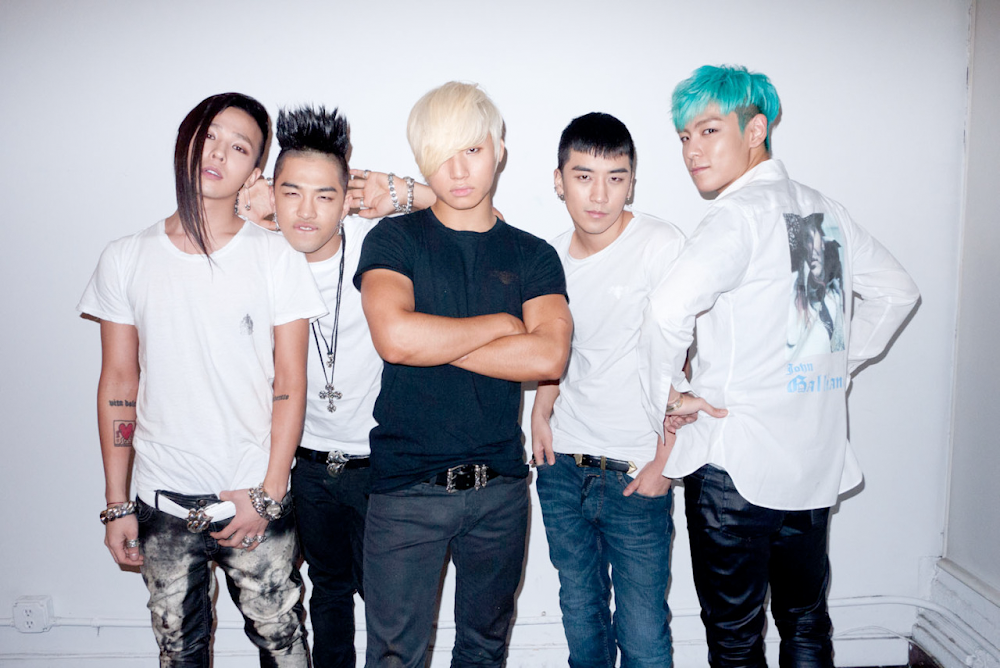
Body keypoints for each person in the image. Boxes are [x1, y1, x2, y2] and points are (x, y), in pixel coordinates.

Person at [639, 65, 920, 667]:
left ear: (755, 129)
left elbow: (665, 310)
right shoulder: (823, 213)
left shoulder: (739, 215)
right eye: (684, 136)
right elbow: (897, 293)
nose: (692, 151)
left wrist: (667, 395)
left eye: (708, 130)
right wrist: (833, 362)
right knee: (806, 622)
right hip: (810, 463)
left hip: (736, 466)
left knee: (735, 638)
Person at [78, 93, 325, 667]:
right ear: (185, 141)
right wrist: (116, 505)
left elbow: (290, 382)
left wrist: (269, 493)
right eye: (209, 136)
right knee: (178, 652)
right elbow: (119, 383)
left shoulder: (275, 256)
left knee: (284, 645)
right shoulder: (125, 257)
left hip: (253, 494)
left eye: (239, 147)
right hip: (162, 502)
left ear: (254, 170)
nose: (217, 153)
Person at [354, 81, 573, 668]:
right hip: (406, 490)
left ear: (499, 149)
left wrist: (433, 340)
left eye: (472, 150)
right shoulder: (393, 239)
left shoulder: (532, 254)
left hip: (500, 491)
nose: (456, 170)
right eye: (441, 154)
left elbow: (547, 357)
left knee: (484, 652)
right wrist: (501, 325)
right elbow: (395, 339)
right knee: (394, 657)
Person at [248, 104, 434, 668]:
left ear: (346, 195)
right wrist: (238, 204)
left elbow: (471, 213)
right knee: (327, 592)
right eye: (292, 193)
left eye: (325, 195)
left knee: (388, 602)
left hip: (379, 464)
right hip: (305, 464)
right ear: (272, 192)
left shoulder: (379, 244)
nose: (307, 212)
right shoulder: (258, 255)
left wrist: (400, 191)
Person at [530, 112, 687, 667]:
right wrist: (540, 412)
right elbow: (553, 348)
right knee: (582, 621)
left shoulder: (661, 245)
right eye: (583, 176)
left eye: (615, 178)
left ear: (632, 182)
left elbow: (685, 361)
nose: (599, 195)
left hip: (635, 472)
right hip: (563, 468)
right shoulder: (547, 259)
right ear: (559, 181)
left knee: (644, 636)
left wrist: (665, 464)